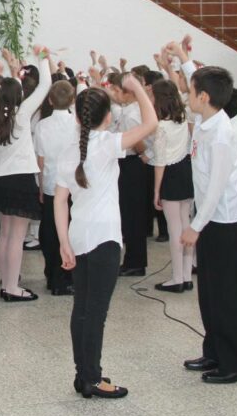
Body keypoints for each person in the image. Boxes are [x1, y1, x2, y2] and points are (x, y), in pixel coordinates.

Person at [54, 75, 157, 399]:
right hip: (105, 239)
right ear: (108, 117)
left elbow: (60, 201)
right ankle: (93, 379)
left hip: (79, 236)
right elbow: (151, 123)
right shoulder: (109, 143)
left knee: (82, 309)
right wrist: (136, 87)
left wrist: (64, 242)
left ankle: (82, 373)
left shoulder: (68, 151)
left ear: (76, 117)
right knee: (96, 312)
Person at [171, 40, 237, 385]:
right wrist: (183, 57)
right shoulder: (205, 117)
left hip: (224, 222)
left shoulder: (221, 133)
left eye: (191, 91)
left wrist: (195, 225)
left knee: (227, 294)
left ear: (204, 97)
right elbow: (198, 78)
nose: (187, 94)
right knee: (209, 291)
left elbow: (218, 185)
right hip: (210, 220)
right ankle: (215, 351)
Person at [0, 46, 52, 301]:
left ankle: (6, 282)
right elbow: (45, 85)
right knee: (17, 237)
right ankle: (12, 287)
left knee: (4, 234)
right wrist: (42, 57)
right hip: (21, 180)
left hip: (0, 180)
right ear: (19, 96)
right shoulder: (22, 115)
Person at [149, 79, 194, 293]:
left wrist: (156, 190)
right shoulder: (183, 118)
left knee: (174, 228)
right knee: (186, 224)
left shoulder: (161, 127)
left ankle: (177, 278)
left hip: (169, 174)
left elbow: (160, 161)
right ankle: (187, 276)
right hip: (185, 170)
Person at [34, 80, 78, 295]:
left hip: (52, 183)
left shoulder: (42, 126)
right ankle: (67, 276)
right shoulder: (77, 123)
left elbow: (40, 161)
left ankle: (52, 274)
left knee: (50, 231)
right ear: (72, 100)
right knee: (71, 230)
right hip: (74, 185)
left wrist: (41, 187)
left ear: (50, 101)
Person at [106, 72, 148, 277]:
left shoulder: (131, 114)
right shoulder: (127, 109)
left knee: (133, 215)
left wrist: (141, 153)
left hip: (132, 163)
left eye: (118, 91)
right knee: (128, 213)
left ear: (128, 93)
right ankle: (132, 259)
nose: (115, 95)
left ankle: (135, 262)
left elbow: (138, 143)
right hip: (127, 162)